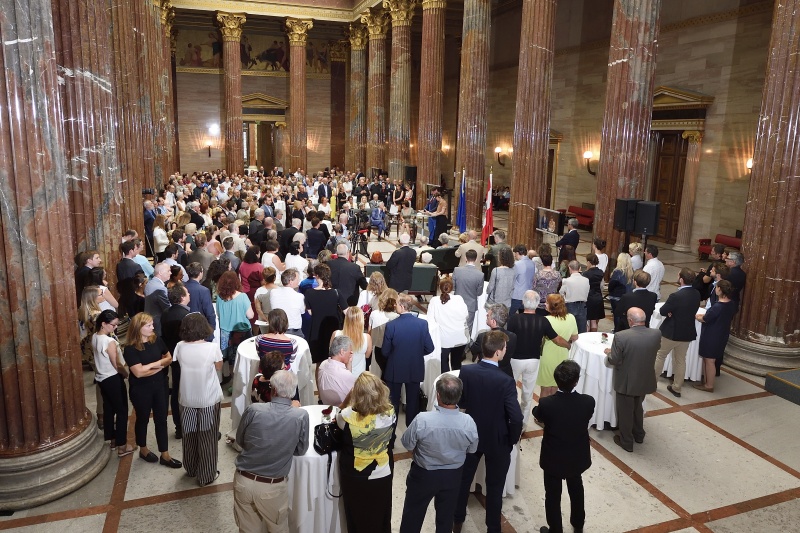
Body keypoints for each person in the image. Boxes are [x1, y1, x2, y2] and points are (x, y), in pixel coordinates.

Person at [452, 330, 523, 533]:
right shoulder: (506, 380)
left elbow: (463, 402)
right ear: (499, 353)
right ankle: (493, 527)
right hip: (498, 438)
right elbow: (516, 417)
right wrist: (511, 439)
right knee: (494, 486)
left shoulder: (467, 371)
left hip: (471, 434)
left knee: (464, 480)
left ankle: (457, 520)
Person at [399, 374, 479, 533]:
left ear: (438, 395)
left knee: (412, 516)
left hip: (423, 475)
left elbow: (407, 444)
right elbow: (472, 449)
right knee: (445, 520)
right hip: (453, 476)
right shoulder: (468, 422)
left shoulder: (423, 419)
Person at [234, 370, 309, 533]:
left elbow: (239, 440)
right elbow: (301, 450)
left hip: (243, 481)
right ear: (293, 391)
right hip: (272, 488)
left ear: (273, 389)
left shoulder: (253, 410)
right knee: (278, 529)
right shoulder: (300, 416)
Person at [532, 360, 595, 533]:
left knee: (552, 495)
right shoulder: (588, 402)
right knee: (576, 490)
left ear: (556, 380)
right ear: (576, 381)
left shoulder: (547, 404)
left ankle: (556, 529)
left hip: (553, 456)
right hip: (577, 455)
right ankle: (578, 524)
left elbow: (538, 415)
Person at [336, 372, 397, 533]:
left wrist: (348, 398)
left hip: (355, 475)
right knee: (381, 515)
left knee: (355, 517)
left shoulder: (347, 417)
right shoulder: (390, 413)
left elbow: (339, 412)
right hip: (382, 473)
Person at [123, 312, 182, 468]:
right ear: (138, 328)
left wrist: (150, 367)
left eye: (152, 324)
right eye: (148, 325)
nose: (152, 327)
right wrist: (158, 366)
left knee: (161, 419)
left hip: (160, 385)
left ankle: (165, 454)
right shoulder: (130, 349)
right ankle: (143, 449)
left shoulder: (156, 340)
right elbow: (138, 373)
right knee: (142, 419)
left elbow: (169, 358)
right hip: (141, 389)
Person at [507, 290, 573, 428]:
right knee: (528, 392)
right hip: (533, 360)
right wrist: (568, 345)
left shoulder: (513, 319)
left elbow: (507, 339)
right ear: (538, 304)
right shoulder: (542, 321)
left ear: (523, 302)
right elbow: (557, 339)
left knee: (510, 390)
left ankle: (510, 418)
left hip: (515, 360)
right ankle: (523, 423)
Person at [173, 313, 223, 486]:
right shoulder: (212, 347)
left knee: (189, 435)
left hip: (186, 397)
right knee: (208, 436)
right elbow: (218, 366)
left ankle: (191, 467)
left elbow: (179, 363)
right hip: (208, 397)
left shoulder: (179, 346)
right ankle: (207, 474)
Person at [603, 307, 662, 452]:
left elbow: (614, 360)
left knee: (625, 411)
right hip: (645, 377)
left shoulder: (621, 336)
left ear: (630, 320)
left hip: (627, 381)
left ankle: (626, 441)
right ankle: (639, 434)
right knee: (638, 407)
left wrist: (609, 354)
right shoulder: (656, 333)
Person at [383, 293, 435, 427]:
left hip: (395, 369)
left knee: (392, 403)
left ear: (401, 306)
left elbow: (385, 351)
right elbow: (430, 348)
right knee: (413, 402)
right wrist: (416, 353)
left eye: (396, 304)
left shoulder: (391, 325)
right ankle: (411, 433)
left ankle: (391, 435)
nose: (395, 306)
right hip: (414, 367)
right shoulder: (422, 324)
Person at [92, 310, 136, 457]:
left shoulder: (95, 337)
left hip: (101, 378)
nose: (115, 328)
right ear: (103, 324)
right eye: (113, 325)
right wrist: (126, 373)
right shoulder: (108, 341)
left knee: (109, 409)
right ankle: (122, 445)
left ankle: (112, 440)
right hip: (112, 378)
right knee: (122, 411)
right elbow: (116, 363)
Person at [653, 268, 702, 398]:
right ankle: (677, 387)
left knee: (660, 356)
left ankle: (652, 383)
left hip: (671, 332)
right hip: (687, 332)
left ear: (681, 279)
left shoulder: (676, 296)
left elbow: (663, 311)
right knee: (680, 360)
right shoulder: (696, 293)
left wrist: (671, 311)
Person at [694, 280, 737, 392]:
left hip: (712, 335)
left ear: (720, 289)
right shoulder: (731, 304)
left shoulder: (718, 306)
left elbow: (705, 318)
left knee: (709, 360)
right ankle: (706, 381)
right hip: (722, 333)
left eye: (717, 287)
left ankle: (709, 385)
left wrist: (697, 316)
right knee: (709, 359)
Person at [160, 283, 191, 438]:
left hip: (172, 355)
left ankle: (179, 425)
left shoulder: (165, 313)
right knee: (187, 390)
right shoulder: (187, 316)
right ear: (182, 297)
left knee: (177, 389)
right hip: (186, 357)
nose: (189, 295)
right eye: (187, 293)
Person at [537, 294, 579, 400]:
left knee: (545, 390)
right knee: (556, 388)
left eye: (546, 302)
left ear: (552, 306)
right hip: (563, 357)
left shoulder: (545, 320)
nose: (544, 304)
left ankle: (542, 413)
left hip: (547, 357)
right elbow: (575, 337)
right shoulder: (571, 317)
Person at [217, 271, 255, 383]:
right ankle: (243, 381)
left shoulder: (219, 297)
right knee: (243, 359)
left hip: (225, 332)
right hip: (242, 333)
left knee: (228, 358)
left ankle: (230, 379)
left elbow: (219, 314)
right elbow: (250, 315)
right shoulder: (242, 297)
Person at [427, 278, 470, 373]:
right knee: (457, 363)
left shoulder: (434, 301)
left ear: (439, 288)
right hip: (460, 338)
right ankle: (457, 384)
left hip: (444, 339)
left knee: (443, 363)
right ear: (452, 288)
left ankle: (445, 385)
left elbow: (430, 321)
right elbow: (466, 315)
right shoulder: (459, 298)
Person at [304, 263, 341, 366]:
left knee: (319, 365)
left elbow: (310, 312)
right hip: (333, 332)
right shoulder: (336, 292)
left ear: (317, 276)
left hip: (317, 333)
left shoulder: (309, 293)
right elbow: (346, 311)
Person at [317, 334, 356, 405]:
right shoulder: (345, 375)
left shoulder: (323, 364)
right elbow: (354, 396)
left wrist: (349, 363)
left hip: (325, 405)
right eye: (350, 351)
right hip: (341, 410)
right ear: (342, 352)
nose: (351, 354)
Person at [333, 306, 372, 377]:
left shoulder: (336, 334)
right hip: (359, 377)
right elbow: (367, 356)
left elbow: (332, 354)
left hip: (339, 376)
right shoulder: (367, 338)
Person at [452, 249, 485, 332]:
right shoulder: (480, 275)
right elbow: (479, 293)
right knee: (468, 328)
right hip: (471, 305)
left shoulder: (457, 270)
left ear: (465, 258)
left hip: (457, 303)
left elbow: (453, 287)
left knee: (456, 325)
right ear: (476, 259)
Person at [329, 243, 368, 308]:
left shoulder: (328, 264)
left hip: (332, 301)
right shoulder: (355, 267)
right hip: (349, 303)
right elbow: (364, 285)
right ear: (347, 253)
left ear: (337, 253)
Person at [269, 269, 306, 337]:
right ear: (290, 282)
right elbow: (302, 311)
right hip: (294, 331)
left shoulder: (273, 292)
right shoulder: (299, 296)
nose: (299, 280)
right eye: (297, 279)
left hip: (277, 330)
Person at [510, 244, 536, 315]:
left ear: (517, 253)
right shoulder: (532, 263)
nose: (515, 256)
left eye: (515, 254)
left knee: (509, 316)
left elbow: (512, 278)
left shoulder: (517, 264)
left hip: (517, 295)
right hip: (528, 294)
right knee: (524, 317)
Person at [582, 253, 605, 332]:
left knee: (588, 322)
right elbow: (602, 286)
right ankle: (594, 336)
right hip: (598, 297)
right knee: (594, 321)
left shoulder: (585, 274)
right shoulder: (601, 272)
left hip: (589, 298)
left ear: (589, 262)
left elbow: (584, 287)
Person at [608, 252, 634, 317]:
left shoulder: (617, 272)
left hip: (617, 297)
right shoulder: (631, 272)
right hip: (628, 297)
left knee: (617, 316)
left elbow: (611, 285)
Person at [254, 266, 278, 334]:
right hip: (276, 319)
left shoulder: (259, 291)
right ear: (274, 277)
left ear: (264, 278)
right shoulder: (279, 290)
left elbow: (258, 309)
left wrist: (266, 319)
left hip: (263, 321)